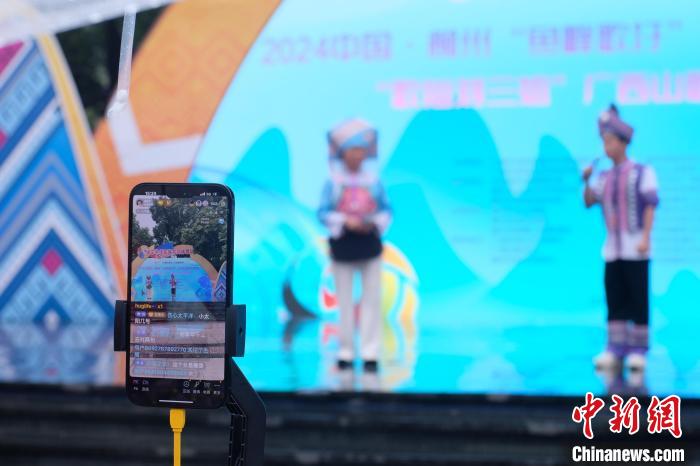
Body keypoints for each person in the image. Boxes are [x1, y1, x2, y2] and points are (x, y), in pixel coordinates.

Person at [582, 104, 659, 371]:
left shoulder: (641, 171)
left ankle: (639, 350)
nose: (606, 147)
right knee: (614, 297)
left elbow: (650, 205)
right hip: (612, 249)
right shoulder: (604, 177)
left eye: (610, 141)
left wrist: (646, 237)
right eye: (604, 142)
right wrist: (586, 180)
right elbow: (589, 201)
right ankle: (615, 347)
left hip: (636, 247)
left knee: (638, 296)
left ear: (623, 143)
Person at [318, 119, 392, 373]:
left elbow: (387, 210)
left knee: (372, 299)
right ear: (343, 153)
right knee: (345, 301)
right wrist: (345, 221)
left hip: (369, 244)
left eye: (361, 150)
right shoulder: (334, 181)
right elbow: (323, 212)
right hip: (343, 244)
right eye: (352, 150)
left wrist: (370, 222)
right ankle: (346, 352)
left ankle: (370, 352)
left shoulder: (373, 181)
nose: (357, 155)